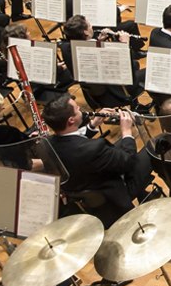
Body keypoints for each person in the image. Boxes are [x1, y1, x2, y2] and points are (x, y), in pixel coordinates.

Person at [43, 94, 152, 226]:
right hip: (113, 195)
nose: (81, 109)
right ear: (71, 120)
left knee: (118, 146)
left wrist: (92, 125)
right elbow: (128, 162)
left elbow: (72, 142)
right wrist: (127, 131)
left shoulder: (46, 144)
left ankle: (144, 194)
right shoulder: (95, 149)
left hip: (86, 187)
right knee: (153, 147)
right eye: (77, 109)